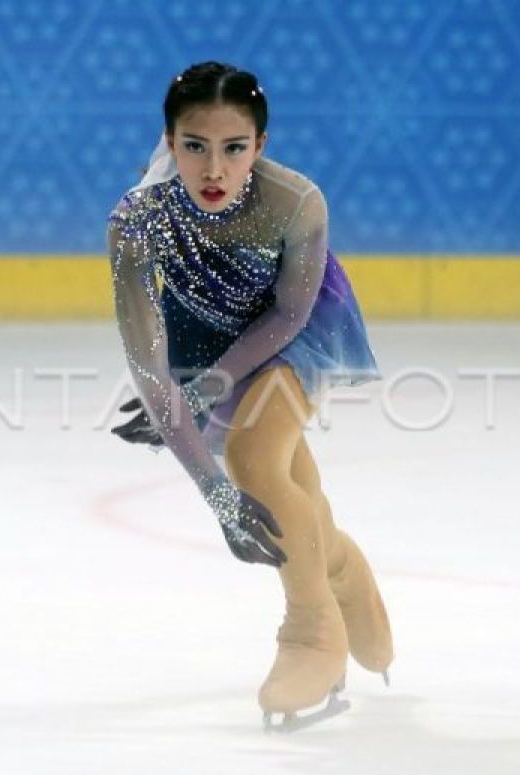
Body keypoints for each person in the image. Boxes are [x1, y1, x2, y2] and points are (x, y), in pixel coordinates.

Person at [105, 61, 392, 732]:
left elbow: (288, 317)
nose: (214, 169)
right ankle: (343, 570)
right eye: (195, 146)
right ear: (169, 141)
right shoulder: (135, 227)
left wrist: (209, 387)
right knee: (283, 482)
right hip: (205, 333)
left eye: (234, 148)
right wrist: (215, 498)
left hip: (297, 326)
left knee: (257, 456)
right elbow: (149, 370)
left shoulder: (296, 203)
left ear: (259, 147)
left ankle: (312, 634)